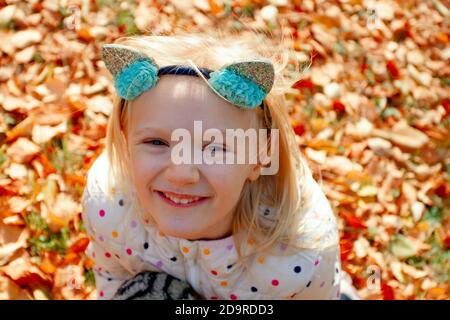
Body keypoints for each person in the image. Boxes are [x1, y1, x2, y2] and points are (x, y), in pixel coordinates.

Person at [81, 29, 341, 300]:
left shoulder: (299, 256)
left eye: (214, 148)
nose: (181, 173)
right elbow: (113, 278)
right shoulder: (109, 205)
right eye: (156, 142)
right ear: (125, 142)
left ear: (259, 157)